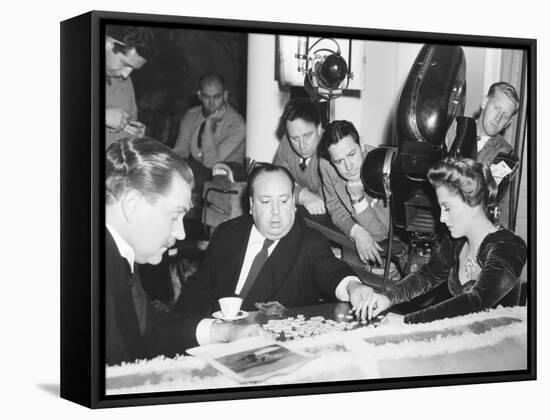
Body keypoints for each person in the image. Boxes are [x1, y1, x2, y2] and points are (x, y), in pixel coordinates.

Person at [105, 137, 265, 365]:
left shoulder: (119, 253)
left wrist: (223, 331)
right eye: (174, 216)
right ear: (132, 205)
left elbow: (146, 325)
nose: (181, 233)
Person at [178, 164, 374, 316]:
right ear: (252, 205)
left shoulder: (309, 242)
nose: (276, 212)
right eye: (265, 202)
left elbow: (331, 270)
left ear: (293, 204)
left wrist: (352, 286)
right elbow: (200, 287)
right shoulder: (228, 232)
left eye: (283, 200)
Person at [355, 157, 527, 324]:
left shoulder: (509, 247)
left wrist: (409, 321)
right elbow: (426, 276)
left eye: (447, 208)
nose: (442, 218)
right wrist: (387, 298)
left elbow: (476, 301)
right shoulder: (456, 242)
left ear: (474, 204)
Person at [318, 120, 397, 266]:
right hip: (355, 239)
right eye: (339, 161)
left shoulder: (382, 169)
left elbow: (380, 233)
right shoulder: (326, 164)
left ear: (361, 144)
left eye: (352, 154)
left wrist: (357, 199)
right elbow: (335, 207)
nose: (348, 166)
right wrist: (356, 232)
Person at [173, 72, 246, 191]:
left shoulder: (237, 125)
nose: (212, 103)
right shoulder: (191, 116)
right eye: (207, 97)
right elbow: (180, 151)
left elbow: (211, 164)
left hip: (227, 181)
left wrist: (208, 127)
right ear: (200, 95)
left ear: (225, 95)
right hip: (196, 176)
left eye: (217, 97)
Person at [273, 97, 326, 215]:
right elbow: (276, 183)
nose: (302, 146)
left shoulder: (330, 149)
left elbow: (330, 199)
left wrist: (293, 191)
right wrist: (303, 195)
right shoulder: (286, 143)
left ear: (319, 128)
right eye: (295, 138)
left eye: (307, 135)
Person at [105, 26, 154, 149]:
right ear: (108, 44)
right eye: (125, 64)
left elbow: (129, 126)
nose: (126, 75)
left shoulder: (125, 82)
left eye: (133, 69)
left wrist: (136, 138)